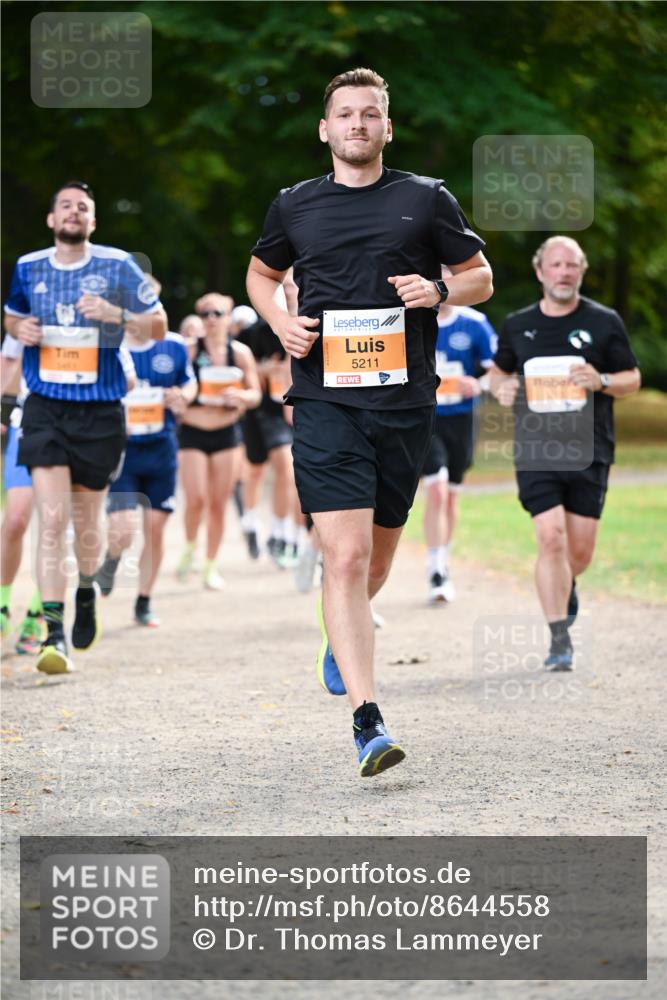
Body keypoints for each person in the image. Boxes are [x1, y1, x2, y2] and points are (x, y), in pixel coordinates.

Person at [247, 68, 492, 776]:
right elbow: (261, 276)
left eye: (370, 113)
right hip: (324, 399)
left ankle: (338, 630)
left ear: (387, 126)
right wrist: (281, 322)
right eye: (346, 114)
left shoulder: (425, 198)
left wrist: (439, 288)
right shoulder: (294, 205)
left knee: (376, 560)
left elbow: (480, 277)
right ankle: (368, 720)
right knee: (346, 557)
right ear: (324, 128)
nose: (358, 123)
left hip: (404, 404)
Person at [3, 181, 166, 674]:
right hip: (45, 408)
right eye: (65, 206)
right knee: (52, 519)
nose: (73, 212)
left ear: (92, 221)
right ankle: (53, 633)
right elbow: (12, 318)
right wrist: (19, 329)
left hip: (100, 411)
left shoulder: (118, 265)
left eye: (83, 207)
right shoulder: (29, 267)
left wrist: (117, 313)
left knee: (87, 522)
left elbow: (157, 324)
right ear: (52, 219)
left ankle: (86, 591)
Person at [489, 236, 640, 671]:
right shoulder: (518, 324)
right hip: (536, 449)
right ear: (540, 272)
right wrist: (503, 388)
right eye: (555, 265)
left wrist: (602, 380)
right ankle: (559, 640)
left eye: (571, 265)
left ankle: (566, 584)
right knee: (550, 537)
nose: (564, 272)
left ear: (581, 271)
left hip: (590, 449)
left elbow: (632, 378)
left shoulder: (604, 321)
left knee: (580, 552)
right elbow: (497, 374)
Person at [95, 279, 197, 626]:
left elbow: (189, 382)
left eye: (150, 304)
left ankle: (144, 600)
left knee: (155, 529)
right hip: (122, 450)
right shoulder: (109, 346)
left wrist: (183, 396)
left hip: (161, 447)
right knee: (123, 529)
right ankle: (112, 558)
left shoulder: (173, 345)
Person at [176, 293, 261, 589]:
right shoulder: (189, 350)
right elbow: (173, 384)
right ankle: (190, 548)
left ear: (229, 318)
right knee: (196, 499)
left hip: (226, 433)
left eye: (218, 314)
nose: (211, 319)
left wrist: (241, 396)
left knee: (218, 504)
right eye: (206, 314)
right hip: (193, 431)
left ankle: (210, 564)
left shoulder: (240, 353)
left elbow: (256, 394)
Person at [420, 287, 497, 603]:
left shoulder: (475, 323)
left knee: (450, 497)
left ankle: (443, 560)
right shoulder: (412, 318)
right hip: (425, 419)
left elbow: (497, 371)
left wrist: (478, 383)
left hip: (461, 420)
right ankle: (436, 569)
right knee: (436, 490)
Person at [233, 305, 299, 566]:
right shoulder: (253, 333)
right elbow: (236, 368)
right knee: (255, 470)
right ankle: (250, 522)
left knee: (287, 468)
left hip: (290, 410)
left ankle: (280, 534)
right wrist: (264, 369)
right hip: (261, 409)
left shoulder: (311, 322)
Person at [0, 335, 43, 654]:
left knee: (57, 525)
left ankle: (38, 615)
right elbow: (9, 361)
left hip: (79, 425)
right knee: (15, 520)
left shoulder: (98, 313)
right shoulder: (27, 314)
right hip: (28, 424)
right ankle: (2, 605)